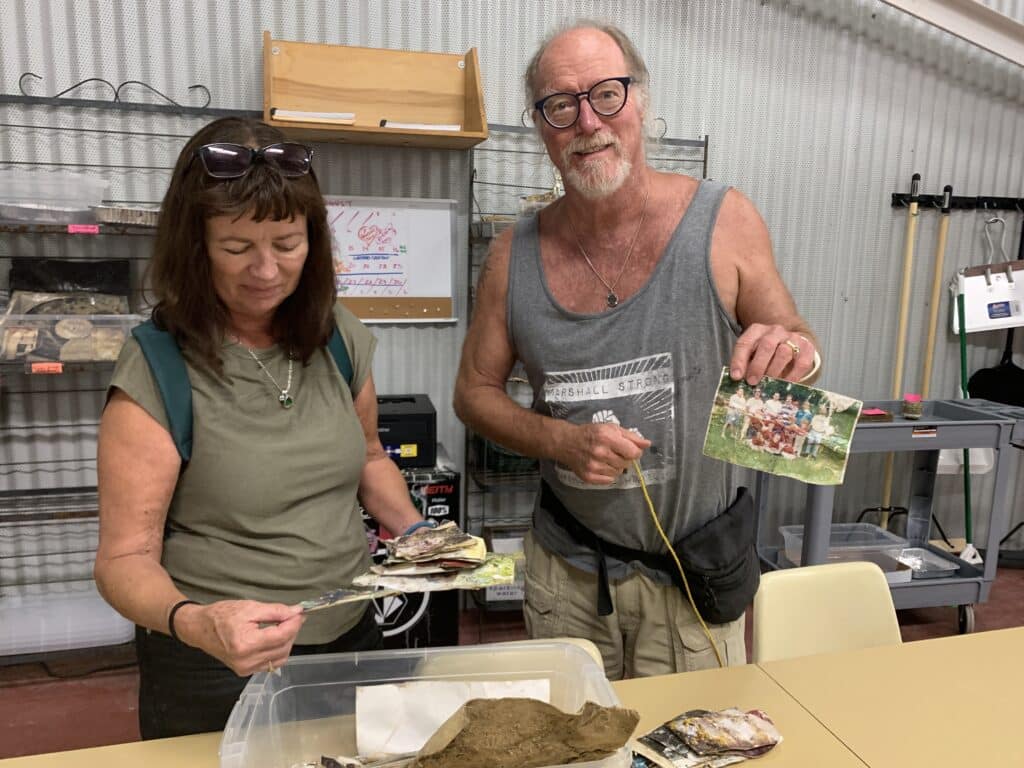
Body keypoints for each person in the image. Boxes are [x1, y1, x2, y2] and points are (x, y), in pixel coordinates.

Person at [453, 21, 821, 680]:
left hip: (692, 581)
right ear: (540, 127)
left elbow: (797, 338)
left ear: (641, 103)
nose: (587, 121)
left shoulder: (725, 220)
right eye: (561, 105)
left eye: (607, 94)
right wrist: (561, 443)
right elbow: (473, 395)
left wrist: (791, 352)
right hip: (568, 579)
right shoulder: (514, 255)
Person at [94, 117, 429, 738]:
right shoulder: (159, 366)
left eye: (287, 242)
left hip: (349, 633)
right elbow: (122, 559)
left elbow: (369, 458)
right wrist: (198, 622)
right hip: (217, 662)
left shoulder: (338, 338)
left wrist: (417, 534)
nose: (267, 270)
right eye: (237, 247)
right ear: (195, 247)